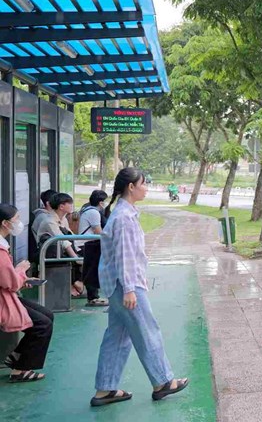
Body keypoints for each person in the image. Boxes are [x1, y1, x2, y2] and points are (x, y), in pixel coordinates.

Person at [91, 168, 188, 407]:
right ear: (131, 187)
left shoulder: (125, 213)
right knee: (147, 330)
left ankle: (105, 389)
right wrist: (129, 289)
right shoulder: (123, 217)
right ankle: (163, 382)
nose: (146, 187)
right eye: (143, 183)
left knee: (117, 336)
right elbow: (125, 257)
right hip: (126, 284)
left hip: (117, 284)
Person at [0, 203, 54, 383]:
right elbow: (12, 283)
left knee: (46, 315)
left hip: (6, 294)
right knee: (42, 324)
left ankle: (17, 356)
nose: (19, 223)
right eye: (16, 219)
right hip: (4, 299)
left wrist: (19, 277)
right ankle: (20, 369)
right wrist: (22, 271)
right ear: (5, 224)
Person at [33, 192, 84, 297]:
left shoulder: (63, 219)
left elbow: (71, 236)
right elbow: (62, 240)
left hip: (61, 251)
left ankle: (76, 282)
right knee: (74, 258)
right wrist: (75, 258)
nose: (72, 206)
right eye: (69, 203)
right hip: (50, 253)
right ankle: (73, 283)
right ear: (61, 206)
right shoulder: (49, 221)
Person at [76, 190, 109, 307]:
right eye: (104, 201)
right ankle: (93, 297)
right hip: (86, 245)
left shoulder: (88, 210)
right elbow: (98, 231)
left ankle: (94, 295)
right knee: (92, 270)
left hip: (88, 244)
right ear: (100, 202)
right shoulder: (94, 213)